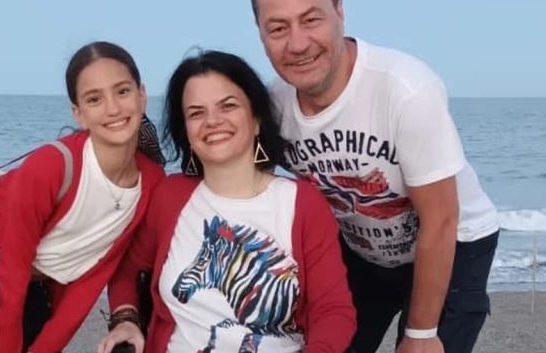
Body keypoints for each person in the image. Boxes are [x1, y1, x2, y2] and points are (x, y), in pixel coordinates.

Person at [249, 0, 500, 353]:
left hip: (454, 242)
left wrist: (420, 334)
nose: (297, 44)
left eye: (311, 20)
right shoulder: (274, 107)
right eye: (278, 28)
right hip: (364, 247)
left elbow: (441, 219)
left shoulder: (405, 90)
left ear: (339, 11)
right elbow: (241, 183)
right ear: (260, 34)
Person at [0, 41, 165, 353]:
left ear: (142, 95)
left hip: (31, 290)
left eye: (123, 91)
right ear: (79, 114)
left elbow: (90, 280)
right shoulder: (52, 165)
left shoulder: (152, 182)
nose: (113, 108)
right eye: (94, 99)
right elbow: (13, 267)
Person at [97, 50, 356, 353]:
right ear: (186, 131)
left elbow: (333, 310)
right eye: (196, 113)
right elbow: (125, 266)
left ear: (256, 119)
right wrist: (125, 319)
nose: (212, 121)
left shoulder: (302, 203)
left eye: (228, 106)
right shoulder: (170, 196)